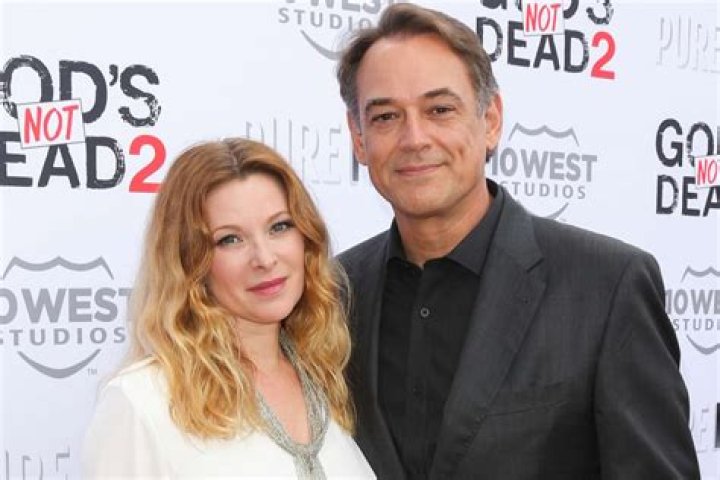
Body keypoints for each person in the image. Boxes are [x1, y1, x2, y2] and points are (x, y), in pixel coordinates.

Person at [335, 3, 700, 479]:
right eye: (385, 117)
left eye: (440, 110)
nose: (414, 138)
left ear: (490, 120)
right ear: (359, 138)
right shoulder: (333, 293)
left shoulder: (607, 287)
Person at [82, 138, 376, 479]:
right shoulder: (143, 401)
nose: (265, 258)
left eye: (279, 226)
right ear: (189, 261)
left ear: (306, 239)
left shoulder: (324, 380)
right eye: (230, 239)